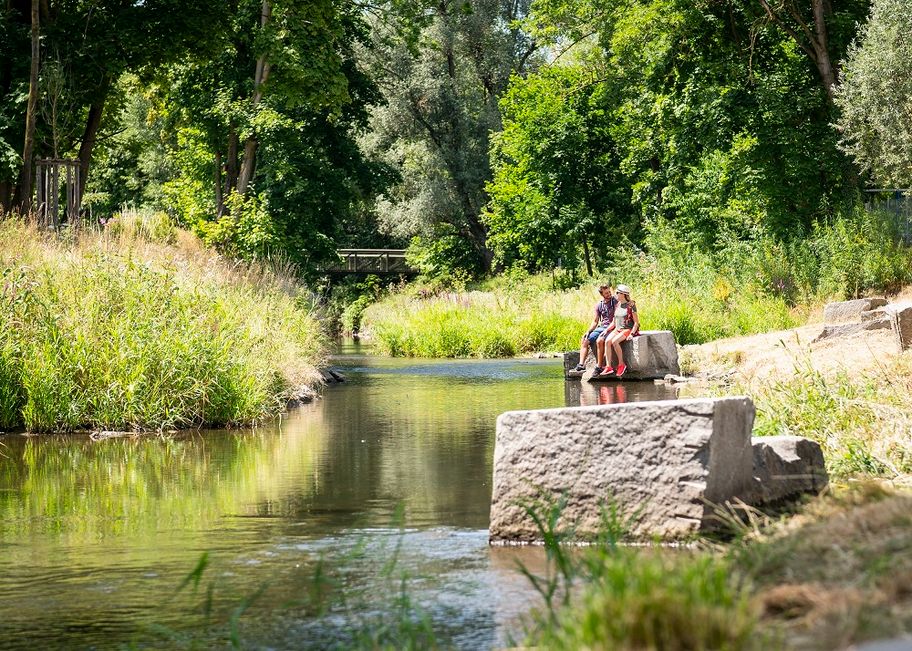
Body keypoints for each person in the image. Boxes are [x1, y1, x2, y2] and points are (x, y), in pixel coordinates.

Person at [593, 284, 640, 378]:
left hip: (627, 329)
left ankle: (621, 364)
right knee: (607, 341)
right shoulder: (618, 305)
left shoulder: (631, 305)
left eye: (617, 293)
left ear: (623, 294)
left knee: (615, 341)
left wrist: (631, 333)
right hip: (617, 329)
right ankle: (608, 367)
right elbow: (614, 322)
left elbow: (636, 323)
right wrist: (606, 330)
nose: (615, 295)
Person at [573, 284, 617, 372]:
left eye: (609, 292)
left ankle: (599, 366)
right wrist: (589, 331)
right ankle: (581, 364)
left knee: (600, 340)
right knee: (585, 339)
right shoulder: (599, 305)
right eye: (606, 293)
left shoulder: (615, 301)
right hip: (602, 327)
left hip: (612, 326)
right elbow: (595, 321)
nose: (609, 294)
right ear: (602, 294)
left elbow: (617, 317)